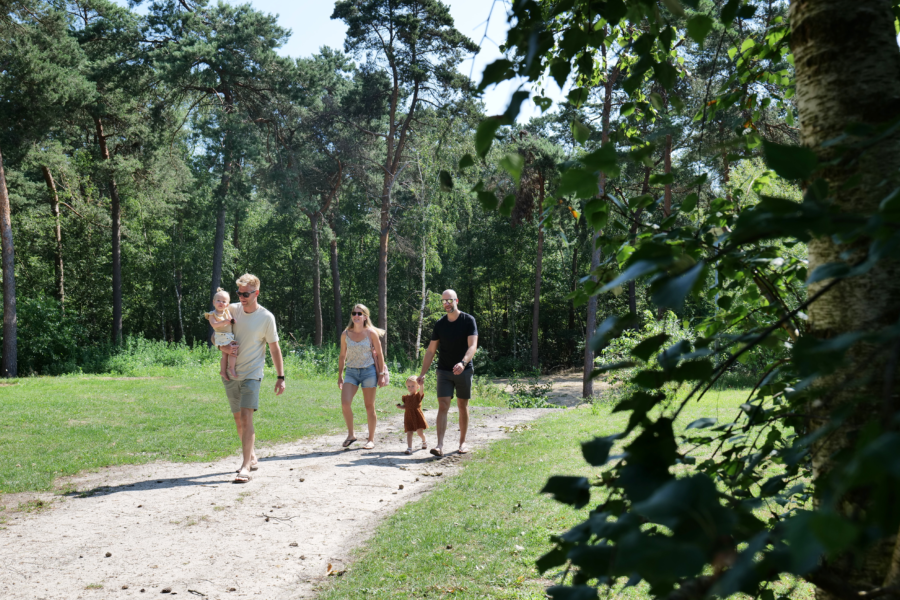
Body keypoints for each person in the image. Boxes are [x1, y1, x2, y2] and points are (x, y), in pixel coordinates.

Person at [216, 273, 285, 483]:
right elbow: (215, 333)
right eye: (239, 293)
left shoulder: (266, 318)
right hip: (230, 374)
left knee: (246, 418)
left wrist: (281, 376)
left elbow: (274, 348)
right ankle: (252, 455)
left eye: (245, 293)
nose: (241, 297)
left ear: (257, 293)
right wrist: (221, 346)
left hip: (252, 374)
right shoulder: (231, 309)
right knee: (238, 420)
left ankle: (244, 466)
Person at [417, 289, 478, 457]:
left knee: (462, 406)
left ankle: (462, 442)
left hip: (464, 370)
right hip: (444, 371)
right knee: (443, 405)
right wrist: (422, 373)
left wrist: (463, 363)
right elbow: (430, 351)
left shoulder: (468, 321)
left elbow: (472, 346)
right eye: (443, 301)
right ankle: (439, 445)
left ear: (456, 300)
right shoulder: (440, 324)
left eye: (449, 300)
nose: (446, 304)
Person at [337, 303, 387, 449]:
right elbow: (342, 355)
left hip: (369, 372)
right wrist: (340, 374)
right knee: (345, 403)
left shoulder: (371, 333)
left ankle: (371, 439)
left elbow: (380, 354)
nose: (356, 316)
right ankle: (351, 435)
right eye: (354, 313)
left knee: (369, 406)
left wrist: (382, 374)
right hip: (351, 372)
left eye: (359, 314)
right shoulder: (345, 334)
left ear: (365, 317)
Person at [205, 288, 238, 379]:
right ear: (213, 302)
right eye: (218, 300)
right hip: (221, 335)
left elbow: (230, 320)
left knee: (225, 354)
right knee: (233, 351)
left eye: (223, 301)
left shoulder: (226, 311)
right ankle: (231, 368)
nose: (221, 303)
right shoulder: (212, 314)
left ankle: (223, 371)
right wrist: (224, 322)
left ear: (227, 305)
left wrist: (232, 321)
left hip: (228, 335)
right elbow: (214, 324)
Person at [396, 376, 428, 455]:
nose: (410, 388)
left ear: (417, 387)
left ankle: (424, 441)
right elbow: (406, 406)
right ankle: (409, 448)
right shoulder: (406, 397)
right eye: (408, 386)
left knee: (419, 432)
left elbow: (421, 391)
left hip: (417, 417)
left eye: (413, 386)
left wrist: (422, 384)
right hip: (409, 417)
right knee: (409, 432)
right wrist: (400, 407)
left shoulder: (418, 396)